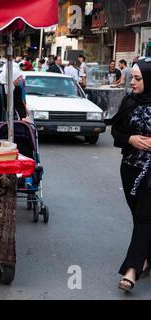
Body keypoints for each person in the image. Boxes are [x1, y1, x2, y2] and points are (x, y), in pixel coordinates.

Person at [110, 58, 151, 293]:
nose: (132, 82)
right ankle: (145, 257)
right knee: (140, 215)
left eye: (138, 78)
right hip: (129, 168)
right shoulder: (130, 101)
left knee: (144, 216)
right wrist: (131, 139)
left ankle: (131, 270)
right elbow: (116, 131)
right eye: (132, 78)